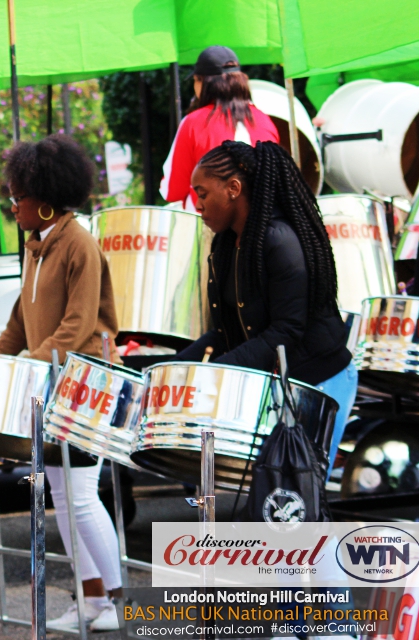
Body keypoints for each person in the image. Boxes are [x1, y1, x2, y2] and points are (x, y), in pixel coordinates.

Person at [0, 135, 123, 632]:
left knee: (82, 494)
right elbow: (18, 326)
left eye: (15, 198)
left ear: (41, 201)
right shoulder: (36, 248)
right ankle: (91, 601)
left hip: (85, 385)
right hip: (54, 385)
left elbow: (79, 327)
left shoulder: (79, 245)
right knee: (63, 497)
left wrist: (29, 367)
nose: (11, 207)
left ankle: (118, 600)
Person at [176, 140, 357, 479]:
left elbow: (286, 331)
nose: (198, 205)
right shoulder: (228, 244)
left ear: (233, 188)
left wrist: (216, 371)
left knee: (297, 505)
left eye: (202, 194)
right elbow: (225, 332)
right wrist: (174, 367)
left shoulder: (280, 239)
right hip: (281, 382)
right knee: (270, 503)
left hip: (320, 380)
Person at [160, 45, 279, 210]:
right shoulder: (265, 121)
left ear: (204, 83)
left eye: (195, 80)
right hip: (262, 226)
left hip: (210, 227)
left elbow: (172, 191)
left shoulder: (193, 123)